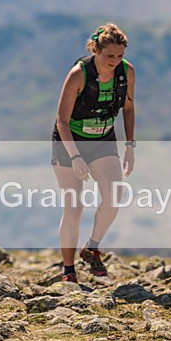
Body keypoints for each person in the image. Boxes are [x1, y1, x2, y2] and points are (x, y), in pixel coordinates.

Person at [51, 23, 136, 284]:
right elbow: (62, 121)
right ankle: (68, 271)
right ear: (96, 50)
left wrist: (130, 145)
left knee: (114, 196)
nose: (115, 61)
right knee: (74, 208)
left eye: (119, 56)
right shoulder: (79, 74)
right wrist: (75, 157)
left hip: (102, 140)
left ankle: (92, 248)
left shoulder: (126, 72)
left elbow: (128, 108)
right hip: (69, 142)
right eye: (109, 56)